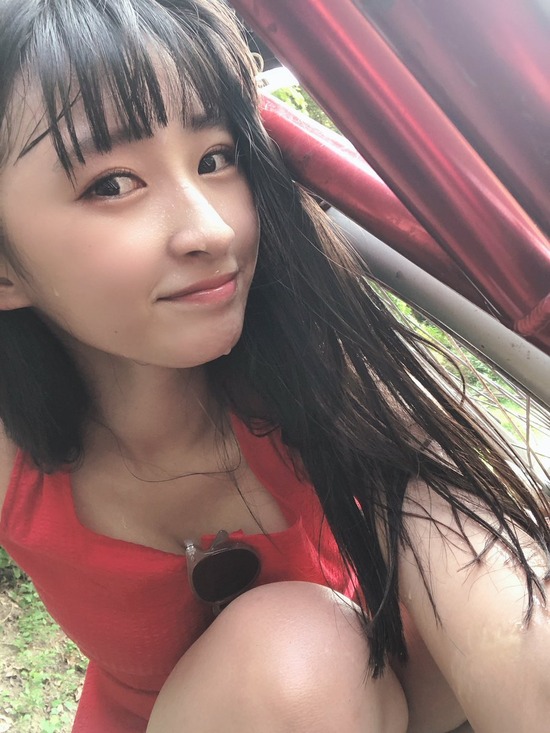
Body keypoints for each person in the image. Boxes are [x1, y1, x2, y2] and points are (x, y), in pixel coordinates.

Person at [0, 0, 549, 731]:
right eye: (112, 184)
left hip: (372, 690)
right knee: (298, 657)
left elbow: (497, 595)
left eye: (215, 159)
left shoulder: (321, 374)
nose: (211, 229)